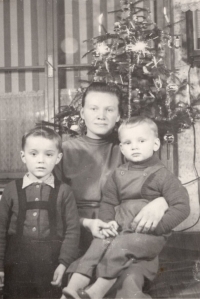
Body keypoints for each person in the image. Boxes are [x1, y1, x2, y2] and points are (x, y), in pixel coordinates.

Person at [56, 82, 169, 299]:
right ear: (82, 112)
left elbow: (164, 183)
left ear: (118, 116)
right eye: (94, 108)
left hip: (123, 231)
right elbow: (55, 206)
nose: (101, 115)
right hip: (79, 232)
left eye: (109, 110)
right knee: (83, 273)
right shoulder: (65, 150)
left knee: (129, 276)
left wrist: (161, 201)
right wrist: (87, 224)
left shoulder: (129, 149)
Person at [62, 116, 190, 299]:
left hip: (145, 236)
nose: (134, 146)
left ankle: (96, 291)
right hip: (120, 229)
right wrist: (108, 223)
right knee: (98, 243)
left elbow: (182, 206)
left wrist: (157, 228)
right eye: (128, 143)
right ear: (122, 148)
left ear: (155, 144)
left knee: (119, 247)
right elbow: (108, 202)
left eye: (141, 141)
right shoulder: (118, 174)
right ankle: (74, 287)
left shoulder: (163, 175)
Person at [0, 126, 80, 299]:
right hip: (16, 265)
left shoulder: (64, 191)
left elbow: (72, 231)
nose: (41, 160)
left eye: (48, 154)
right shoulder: (11, 189)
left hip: (51, 266)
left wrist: (63, 264)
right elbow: (0, 230)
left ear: (58, 158)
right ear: (23, 156)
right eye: (34, 154)